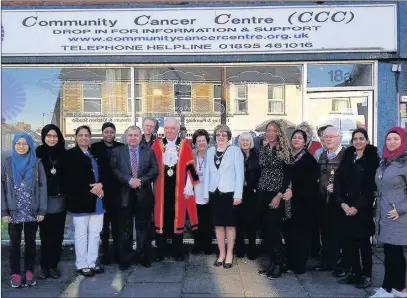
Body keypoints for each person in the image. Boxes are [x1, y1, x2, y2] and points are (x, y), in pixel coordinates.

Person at [334, 128, 379, 289]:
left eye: (361, 138)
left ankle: (366, 275)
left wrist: (357, 207)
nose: (358, 141)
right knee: (348, 242)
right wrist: (342, 203)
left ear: (367, 140)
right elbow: (338, 180)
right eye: (355, 139)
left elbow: (371, 188)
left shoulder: (372, 159)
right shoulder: (348, 156)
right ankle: (355, 273)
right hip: (346, 207)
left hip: (362, 209)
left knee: (363, 243)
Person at [1, 133, 47, 288]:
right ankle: (15, 273)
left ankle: (28, 271)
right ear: (14, 145)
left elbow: (42, 187)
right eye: (18, 143)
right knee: (14, 244)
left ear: (30, 146)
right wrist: (4, 212)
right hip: (13, 212)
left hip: (32, 211)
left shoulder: (37, 163)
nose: (21, 146)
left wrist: (42, 210)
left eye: (25, 143)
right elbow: (1, 189)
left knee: (31, 243)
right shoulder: (6, 164)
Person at [151, 117, 199, 261]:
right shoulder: (156, 144)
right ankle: (160, 251)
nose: (170, 131)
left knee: (178, 219)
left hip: (178, 189)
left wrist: (189, 185)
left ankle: (178, 251)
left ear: (178, 129)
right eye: (167, 128)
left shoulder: (185, 144)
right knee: (162, 218)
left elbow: (191, 166)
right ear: (163, 130)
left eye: (172, 128)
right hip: (161, 189)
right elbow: (151, 166)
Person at [110, 125, 158, 270]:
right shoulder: (117, 151)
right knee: (125, 229)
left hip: (143, 195)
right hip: (124, 195)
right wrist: (129, 180)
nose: (133, 138)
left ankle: (143, 256)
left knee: (143, 228)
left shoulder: (148, 152)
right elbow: (114, 169)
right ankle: (125, 259)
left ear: (140, 137)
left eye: (136, 135)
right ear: (126, 136)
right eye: (130, 135)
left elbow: (154, 170)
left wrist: (141, 180)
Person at [370, 127, 407, 298]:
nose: (391, 142)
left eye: (396, 139)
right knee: (391, 252)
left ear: (403, 142)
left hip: (398, 215)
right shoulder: (385, 162)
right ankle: (397, 288)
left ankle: (389, 288)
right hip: (384, 213)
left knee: (394, 253)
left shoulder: (404, 163)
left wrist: (399, 209)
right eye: (389, 139)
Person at [65, 126, 105, 277]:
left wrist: (101, 184)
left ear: (90, 138)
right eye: (80, 135)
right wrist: (92, 188)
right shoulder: (70, 155)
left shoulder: (95, 153)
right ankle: (82, 264)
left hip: (98, 201)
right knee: (81, 234)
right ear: (76, 138)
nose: (84, 138)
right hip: (80, 201)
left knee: (95, 233)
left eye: (87, 135)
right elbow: (69, 179)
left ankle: (92, 262)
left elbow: (104, 172)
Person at [204, 124, 244, 269]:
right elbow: (208, 172)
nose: (220, 137)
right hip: (214, 192)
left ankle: (229, 254)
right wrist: (205, 192)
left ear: (229, 137)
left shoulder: (235, 151)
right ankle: (221, 253)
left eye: (224, 135)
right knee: (218, 225)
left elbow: (240, 174)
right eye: (218, 135)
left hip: (230, 193)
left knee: (230, 225)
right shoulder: (210, 151)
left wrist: (238, 195)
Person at [256, 120, 292, 279]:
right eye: (268, 130)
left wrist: (279, 195)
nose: (270, 133)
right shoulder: (263, 148)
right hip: (262, 192)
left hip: (276, 193)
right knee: (265, 230)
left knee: (274, 230)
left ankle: (279, 264)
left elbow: (287, 176)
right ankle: (272, 262)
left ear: (279, 132)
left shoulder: (284, 150)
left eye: (273, 130)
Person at [283, 128, 319, 275]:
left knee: (301, 236)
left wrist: (294, 191)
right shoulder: (288, 157)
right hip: (287, 203)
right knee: (289, 234)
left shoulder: (308, 160)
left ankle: (299, 265)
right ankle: (290, 262)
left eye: (300, 138)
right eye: (294, 138)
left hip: (303, 204)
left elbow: (311, 184)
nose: (296, 140)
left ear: (305, 142)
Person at [314, 127, 347, 276]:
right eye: (325, 137)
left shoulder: (345, 155)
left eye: (331, 137)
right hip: (322, 200)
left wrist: (339, 185)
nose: (328, 139)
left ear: (339, 138)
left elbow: (351, 178)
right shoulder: (322, 155)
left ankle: (342, 263)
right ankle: (327, 261)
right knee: (325, 232)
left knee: (339, 233)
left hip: (338, 201)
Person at [36, 124, 67, 280]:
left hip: (60, 199)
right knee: (45, 235)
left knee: (58, 235)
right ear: (44, 137)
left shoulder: (64, 153)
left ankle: (54, 266)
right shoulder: (38, 153)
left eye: (55, 136)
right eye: (49, 136)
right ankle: (44, 266)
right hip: (43, 200)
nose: (52, 139)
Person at [91, 122, 124, 265]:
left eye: (111, 132)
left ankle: (118, 253)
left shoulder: (121, 148)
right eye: (106, 132)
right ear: (102, 133)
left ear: (115, 133)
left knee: (117, 226)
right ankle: (104, 254)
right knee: (103, 226)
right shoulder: (95, 148)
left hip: (117, 192)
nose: (109, 134)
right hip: (101, 192)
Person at [235, 132, 260, 260]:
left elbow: (260, 174)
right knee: (239, 222)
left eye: (247, 140)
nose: (245, 142)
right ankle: (239, 249)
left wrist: (251, 183)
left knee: (251, 223)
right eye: (242, 140)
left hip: (252, 193)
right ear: (239, 142)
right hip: (238, 193)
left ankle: (252, 248)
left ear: (251, 142)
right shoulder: (236, 154)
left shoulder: (257, 155)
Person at [188, 129, 213, 255]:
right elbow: (187, 172)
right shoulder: (191, 154)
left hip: (208, 192)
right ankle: (198, 244)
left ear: (207, 142)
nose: (201, 143)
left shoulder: (212, 154)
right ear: (195, 143)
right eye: (199, 141)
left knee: (207, 220)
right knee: (196, 220)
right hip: (195, 192)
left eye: (203, 140)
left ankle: (207, 245)